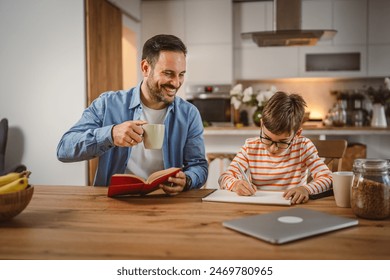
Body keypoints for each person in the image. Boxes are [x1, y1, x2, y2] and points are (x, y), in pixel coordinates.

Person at [57, 34, 208, 194]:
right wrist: (110, 134)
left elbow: (199, 166)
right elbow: (64, 149)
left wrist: (188, 179)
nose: (176, 83)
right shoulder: (108, 104)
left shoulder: (189, 114)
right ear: (145, 68)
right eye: (168, 73)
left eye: (181, 74)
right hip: (114, 202)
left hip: (166, 202)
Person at [218, 91, 332, 204]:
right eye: (267, 139)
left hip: (293, 209)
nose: (273, 148)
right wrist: (236, 184)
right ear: (262, 125)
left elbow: (328, 178)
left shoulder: (303, 147)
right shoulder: (250, 147)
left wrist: (306, 189)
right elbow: (224, 178)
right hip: (258, 208)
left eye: (282, 142)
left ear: (297, 134)